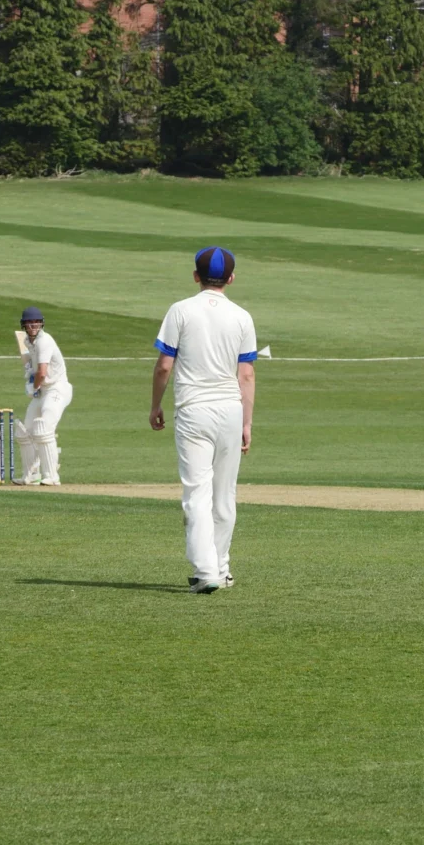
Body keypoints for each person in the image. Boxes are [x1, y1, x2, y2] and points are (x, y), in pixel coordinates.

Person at [150, 246, 257, 594]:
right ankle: (222, 568)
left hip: (193, 411)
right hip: (230, 410)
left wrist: (155, 405)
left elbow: (165, 364)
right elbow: (247, 375)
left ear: (196, 276)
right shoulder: (242, 316)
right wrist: (246, 423)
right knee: (224, 494)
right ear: (231, 278)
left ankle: (206, 570)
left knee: (197, 492)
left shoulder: (180, 310)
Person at [15, 306, 72, 486]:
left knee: (44, 428)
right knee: (26, 431)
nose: (33, 325)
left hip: (57, 388)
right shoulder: (27, 341)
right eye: (29, 323)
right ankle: (31, 475)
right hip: (43, 390)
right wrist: (30, 379)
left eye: (36, 322)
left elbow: (42, 371)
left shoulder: (44, 341)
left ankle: (52, 476)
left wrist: (34, 387)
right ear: (24, 325)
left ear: (41, 324)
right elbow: (33, 368)